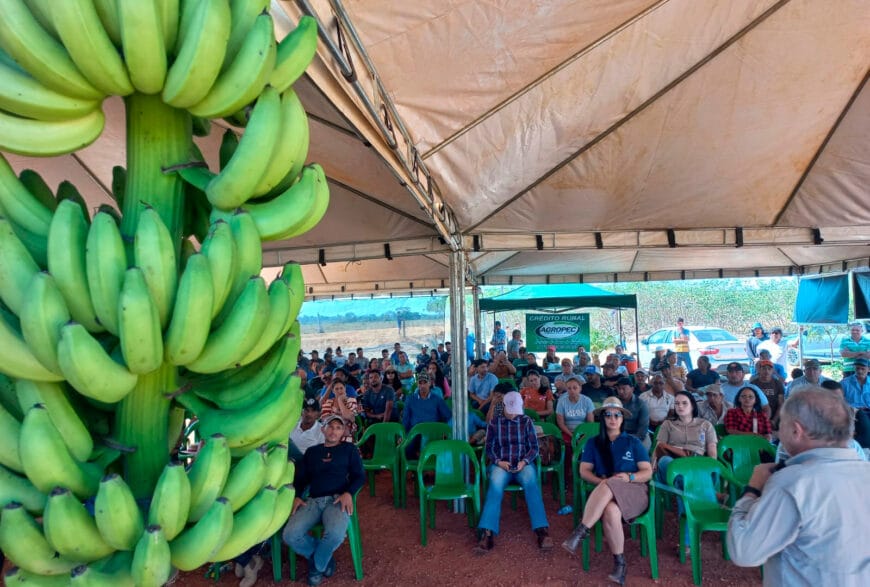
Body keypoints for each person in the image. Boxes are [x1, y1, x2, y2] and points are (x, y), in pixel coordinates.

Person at [726, 388, 870, 585]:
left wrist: (752, 491)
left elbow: (744, 551)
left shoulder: (792, 483)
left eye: (781, 424)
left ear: (796, 430)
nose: (778, 431)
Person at [562, 397, 652, 585]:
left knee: (611, 483)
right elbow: (584, 471)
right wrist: (602, 482)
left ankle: (581, 530)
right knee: (610, 510)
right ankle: (620, 564)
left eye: (617, 415)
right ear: (602, 418)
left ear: (622, 418)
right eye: (608, 415)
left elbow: (647, 472)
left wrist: (629, 477)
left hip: (634, 490)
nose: (613, 418)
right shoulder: (593, 443)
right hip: (607, 491)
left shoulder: (633, 442)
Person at [282, 414, 366, 587]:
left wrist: (349, 493)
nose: (333, 431)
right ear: (323, 429)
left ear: (343, 432)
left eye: (338, 428)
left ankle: (316, 567)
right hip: (313, 501)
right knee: (290, 535)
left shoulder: (349, 449)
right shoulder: (312, 452)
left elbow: (359, 476)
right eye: (330, 427)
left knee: (335, 534)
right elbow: (301, 479)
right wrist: (297, 495)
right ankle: (323, 559)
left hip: (337, 499)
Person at [475, 391, 553, 554]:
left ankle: (541, 530)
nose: (512, 414)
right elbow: (489, 448)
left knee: (531, 483)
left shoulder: (526, 421)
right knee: (495, 486)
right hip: (501, 464)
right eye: (509, 410)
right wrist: (499, 462)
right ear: (503, 407)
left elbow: (534, 447)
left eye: (515, 410)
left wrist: (524, 462)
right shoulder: (494, 423)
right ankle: (487, 532)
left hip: (522, 463)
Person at [652, 391, 718, 488]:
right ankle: (697, 489)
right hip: (675, 460)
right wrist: (652, 464)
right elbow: (659, 447)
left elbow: (712, 449)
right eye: (677, 403)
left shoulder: (705, 424)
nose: (680, 406)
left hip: (696, 460)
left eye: (684, 403)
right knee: (664, 461)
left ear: (692, 406)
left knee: (711, 468)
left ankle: (686, 490)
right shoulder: (668, 424)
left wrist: (711, 464)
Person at [401, 372, 451, 456]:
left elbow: (448, 416)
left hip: (432, 433)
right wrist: (402, 435)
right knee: (406, 448)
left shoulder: (437, 399)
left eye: (425, 383)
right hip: (415, 433)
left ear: (430, 383)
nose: (422, 386)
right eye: (420, 383)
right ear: (417, 384)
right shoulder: (410, 399)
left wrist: (444, 432)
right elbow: (405, 419)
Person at [555, 375, 595, 443]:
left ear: (580, 388)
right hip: (567, 432)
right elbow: (561, 424)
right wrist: (572, 435)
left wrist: (583, 434)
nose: (572, 390)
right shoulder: (561, 402)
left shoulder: (587, 401)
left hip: (584, 432)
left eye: (575, 388)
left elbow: (590, 422)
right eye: (569, 388)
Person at [840, 357, 870, 448]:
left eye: (863, 369)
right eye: (857, 368)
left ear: (868, 369)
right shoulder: (844, 383)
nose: (860, 371)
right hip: (852, 413)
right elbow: (838, 401)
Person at [615, 377, 650, 448]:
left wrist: (626, 441)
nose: (621, 391)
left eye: (624, 389)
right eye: (619, 389)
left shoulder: (641, 404)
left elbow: (642, 432)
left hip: (638, 437)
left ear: (632, 389)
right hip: (618, 436)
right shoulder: (615, 402)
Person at [749, 360, 785, 427]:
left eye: (769, 369)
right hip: (757, 418)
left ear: (772, 370)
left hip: (775, 418)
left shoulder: (778, 384)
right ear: (759, 370)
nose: (767, 371)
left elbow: (781, 404)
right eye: (764, 368)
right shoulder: (753, 384)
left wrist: (774, 420)